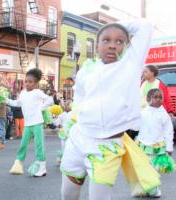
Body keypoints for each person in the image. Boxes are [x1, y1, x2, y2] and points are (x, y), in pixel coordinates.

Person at [60, 20, 157, 200]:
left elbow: (145, 26)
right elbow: (79, 96)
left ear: (127, 46)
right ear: (97, 45)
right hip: (78, 140)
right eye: (106, 40)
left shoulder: (130, 65)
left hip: (107, 146)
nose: (112, 45)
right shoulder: (86, 70)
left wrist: (114, 27)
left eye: (119, 41)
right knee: (68, 194)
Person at [7, 68, 54, 177]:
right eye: (26, 81)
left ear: (36, 83)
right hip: (27, 124)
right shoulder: (23, 93)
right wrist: (6, 100)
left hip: (37, 123)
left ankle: (41, 167)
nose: (27, 84)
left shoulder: (37, 92)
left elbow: (50, 100)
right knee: (23, 144)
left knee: (39, 145)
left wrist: (41, 108)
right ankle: (18, 164)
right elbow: (17, 103)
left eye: (30, 82)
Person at [136, 88, 174, 198]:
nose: (158, 99)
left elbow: (168, 132)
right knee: (144, 168)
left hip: (158, 146)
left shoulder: (164, 115)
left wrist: (169, 147)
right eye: (155, 97)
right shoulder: (142, 113)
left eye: (160, 97)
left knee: (154, 169)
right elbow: (136, 126)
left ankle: (154, 189)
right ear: (148, 99)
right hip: (143, 145)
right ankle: (147, 188)